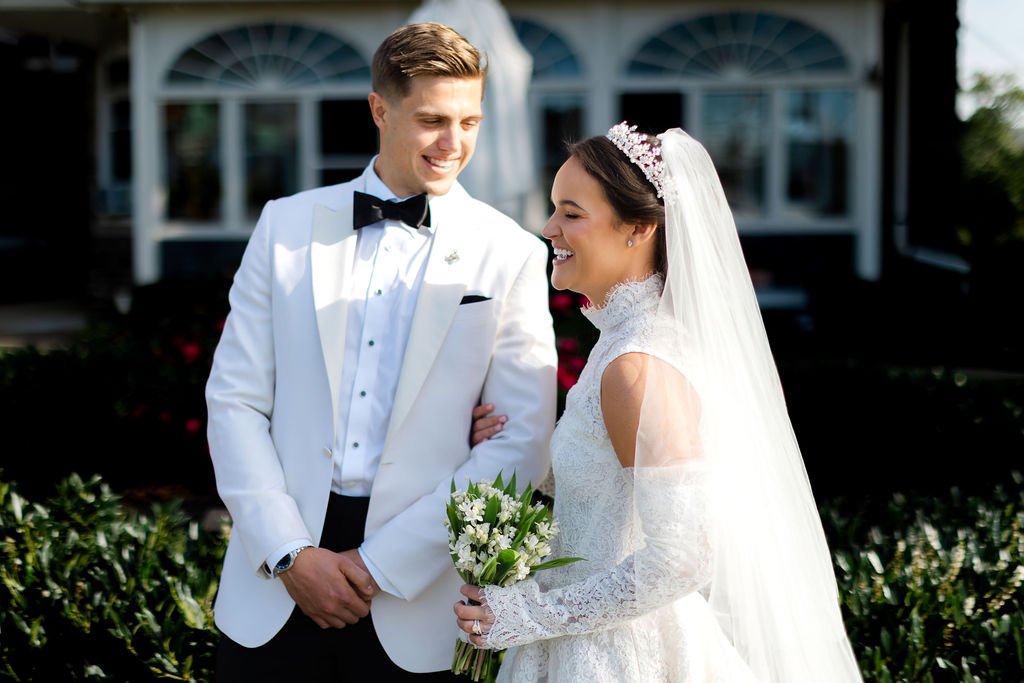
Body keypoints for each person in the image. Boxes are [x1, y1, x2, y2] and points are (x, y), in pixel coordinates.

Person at [205, 22, 558, 681]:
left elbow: (522, 441)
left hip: (417, 589)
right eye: (431, 120)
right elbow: (234, 400)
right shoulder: (285, 224)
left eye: (470, 121)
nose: (453, 144)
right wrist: (290, 552)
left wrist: (376, 565)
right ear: (379, 109)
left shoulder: (510, 252)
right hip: (274, 583)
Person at [454, 123, 864, 681]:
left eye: (571, 213)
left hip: (618, 655)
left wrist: (530, 615)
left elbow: (683, 556)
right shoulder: (621, 346)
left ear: (639, 228)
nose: (549, 228)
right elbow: (611, 492)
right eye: (554, 210)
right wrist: (509, 447)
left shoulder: (635, 365)